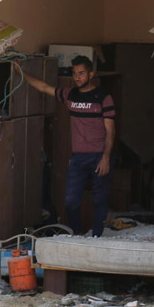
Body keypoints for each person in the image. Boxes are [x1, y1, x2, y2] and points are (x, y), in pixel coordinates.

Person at [23, 56, 116, 237]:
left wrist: (106, 158)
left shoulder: (104, 97)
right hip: (78, 157)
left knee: (100, 199)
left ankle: (97, 236)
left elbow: (111, 131)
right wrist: (20, 71)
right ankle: (77, 234)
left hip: (99, 155)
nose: (77, 77)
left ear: (91, 74)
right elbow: (43, 87)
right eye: (74, 74)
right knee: (71, 201)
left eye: (81, 73)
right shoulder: (70, 95)